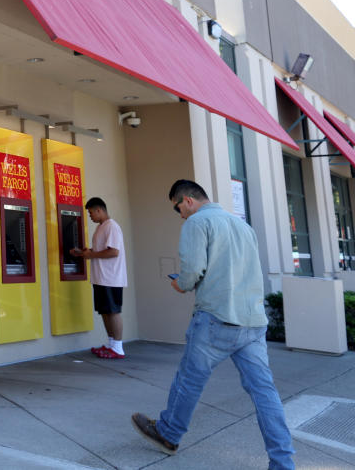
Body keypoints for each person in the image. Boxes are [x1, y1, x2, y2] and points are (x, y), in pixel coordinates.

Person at [131, 179, 294, 469]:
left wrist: (180, 285)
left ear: (188, 201)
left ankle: (168, 434)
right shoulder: (243, 227)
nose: (179, 214)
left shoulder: (195, 223)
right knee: (265, 393)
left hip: (216, 319)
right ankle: (283, 463)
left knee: (189, 381)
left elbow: (192, 272)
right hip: (253, 323)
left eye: (177, 207)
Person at [70, 196, 126, 359]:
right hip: (101, 277)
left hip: (111, 277)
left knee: (113, 311)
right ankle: (111, 345)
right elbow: (101, 250)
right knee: (105, 311)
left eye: (91, 213)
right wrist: (84, 252)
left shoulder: (112, 226)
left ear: (99, 210)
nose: (90, 216)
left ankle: (118, 347)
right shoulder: (101, 227)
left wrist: (91, 254)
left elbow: (113, 251)